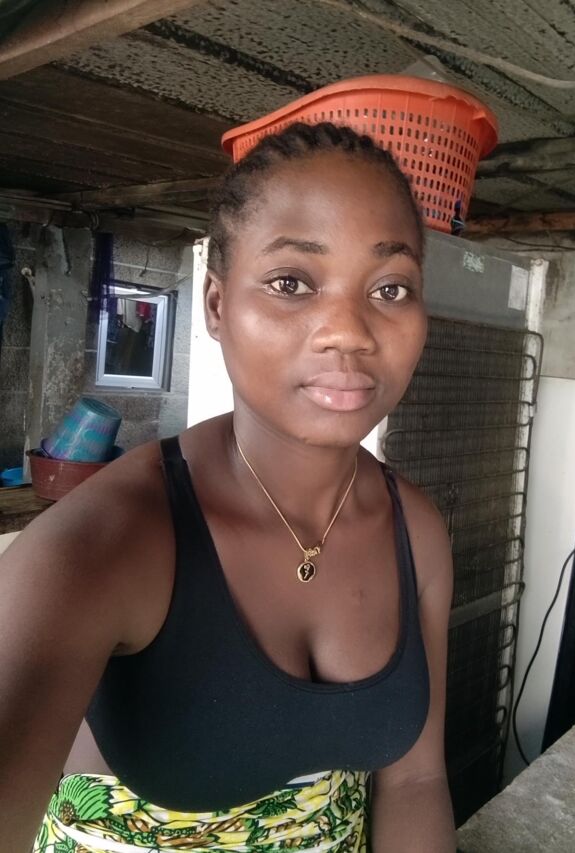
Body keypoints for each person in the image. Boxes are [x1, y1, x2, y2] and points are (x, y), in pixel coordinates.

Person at [0, 121, 455, 852]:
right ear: (216, 305)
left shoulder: (417, 532)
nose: (349, 331)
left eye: (390, 287)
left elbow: (416, 782)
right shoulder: (100, 546)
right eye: (291, 283)